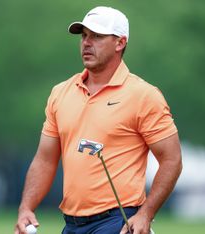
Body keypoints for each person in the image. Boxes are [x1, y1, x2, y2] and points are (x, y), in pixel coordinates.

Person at [14, 6, 182, 234]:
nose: (86, 43)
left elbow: (172, 160)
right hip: (71, 224)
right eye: (84, 36)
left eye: (97, 36)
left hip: (117, 222)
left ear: (120, 43)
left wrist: (146, 214)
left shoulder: (144, 95)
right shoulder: (61, 93)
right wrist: (26, 207)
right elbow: (45, 159)